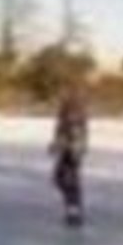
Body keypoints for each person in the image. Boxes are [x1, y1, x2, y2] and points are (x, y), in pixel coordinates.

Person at [49, 81, 89, 226]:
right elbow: (63, 131)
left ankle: (74, 211)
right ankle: (73, 209)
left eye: (63, 92)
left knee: (67, 179)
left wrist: (69, 147)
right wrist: (56, 144)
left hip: (72, 150)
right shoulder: (66, 109)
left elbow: (74, 130)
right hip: (69, 148)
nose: (60, 95)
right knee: (61, 179)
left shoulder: (73, 109)